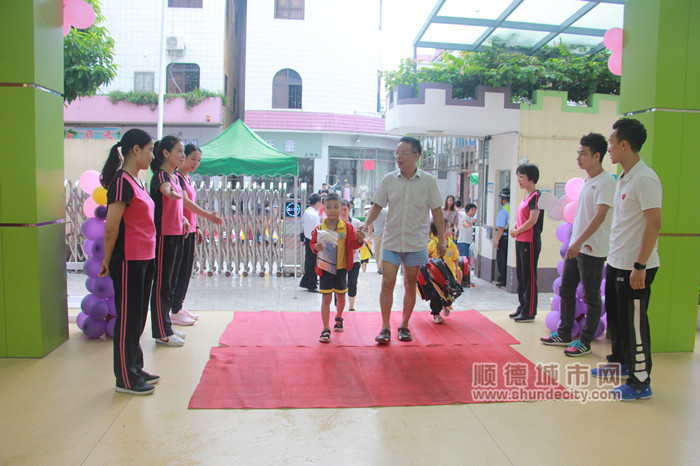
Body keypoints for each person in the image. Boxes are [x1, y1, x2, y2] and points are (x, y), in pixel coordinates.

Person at [596, 118, 662, 401]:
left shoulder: (645, 178)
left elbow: (654, 223)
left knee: (634, 324)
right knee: (619, 320)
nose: (609, 149)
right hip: (617, 262)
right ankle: (622, 363)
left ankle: (640, 382)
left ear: (625, 144)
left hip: (636, 266)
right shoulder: (624, 176)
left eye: (611, 143)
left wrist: (640, 265)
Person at [361, 136, 445, 344]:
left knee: (409, 284)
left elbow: (437, 210)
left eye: (404, 153)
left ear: (416, 156)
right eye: (397, 153)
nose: (398, 157)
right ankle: (385, 327)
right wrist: (365, 224)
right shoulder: (389, 179)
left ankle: (404, 325)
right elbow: (377, 205)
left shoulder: (428, 181)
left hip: (416, 242)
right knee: (387, 282)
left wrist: (441, 238)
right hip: (391, 240)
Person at [540, 133, 615, 356]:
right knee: (566, 289)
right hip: (576, 246)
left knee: (592, 297)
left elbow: (599, 217)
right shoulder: (587, 182)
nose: (579, 158)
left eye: (583, 153)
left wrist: (579, 242)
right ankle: (564, 333)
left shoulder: (606, 182)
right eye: (578, 153)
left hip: (592, 249)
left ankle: (584, 341)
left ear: (597, 156)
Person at [99, 128, 159, 395]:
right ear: (136, 150)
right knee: (127, 318)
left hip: (145, 258)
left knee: (138, 316)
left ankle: (135, 366)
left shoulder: (137, 182)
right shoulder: (121, 182)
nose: (152, 156)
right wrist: (107, 260)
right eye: (150, 150)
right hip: (128, 260)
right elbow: (111, 227)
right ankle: (125, 377)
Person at [170, 144, 223, 325]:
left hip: (191, 229)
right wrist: (207, 216)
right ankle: (174, 309)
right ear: (184, 157)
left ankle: (179, 305)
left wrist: (198, 226)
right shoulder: (177, 178)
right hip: (179, 230)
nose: (195, 163)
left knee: (186, 271)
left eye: (199, 160)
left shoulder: (189, 179)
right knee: (179, 271)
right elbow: (184, 203)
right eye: (193, 158)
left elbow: (190, 207)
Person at [149, 136, 190, 347]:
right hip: (163, 236)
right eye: (179, 152)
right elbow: (165, 190)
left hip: (176, 234)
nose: (183, 156)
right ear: (165, 153)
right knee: (162, 285)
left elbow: (174, 204)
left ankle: (167, 325)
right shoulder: (161, 176)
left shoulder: (174, 176)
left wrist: (182, 218)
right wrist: (170, 193)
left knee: (171, 282)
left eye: (184, 152)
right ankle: (160, 332)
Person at [310, 193, 364, 342]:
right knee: (326, 298)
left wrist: (360, 240)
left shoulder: (347, 228)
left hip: (341, 269)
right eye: (328, 207)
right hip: (325, 268)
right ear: (323, 209)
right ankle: (325, 329)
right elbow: (312, 245)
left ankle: (339, 317)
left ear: (342, 209)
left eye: (336, 207)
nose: (332, 210)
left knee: (341, 297)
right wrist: (316, 247)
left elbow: (354, 245)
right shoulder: (319, 228)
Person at [509, 163, 544, 323]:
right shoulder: (525, 197)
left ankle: (529, 311)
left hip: (529, 241)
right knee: (521, 276)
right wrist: (515, 227)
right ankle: (522, 306)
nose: (519, 180)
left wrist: (517, 231)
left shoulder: (536, 197)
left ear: (531, 178)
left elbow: (532, 221)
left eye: (522, 176)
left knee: (529, 277)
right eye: (518, 176)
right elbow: (523, 219)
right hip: (520, 240)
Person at [427, 220, 460, 323]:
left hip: (448, 275)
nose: (450, 229)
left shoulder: (451, 244)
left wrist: (456, 271)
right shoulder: (433, 244)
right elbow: (426, 257)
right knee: (435, 295)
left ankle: (446, 305)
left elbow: (455, 259)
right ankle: (436, 314)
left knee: (450, 293)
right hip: (436, 276)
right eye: (448, 228)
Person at [340, 200, 363, 312]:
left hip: (355, 259)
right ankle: (338, 307)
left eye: (345, 209)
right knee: (340, 284)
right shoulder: (334, 224)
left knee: (352, 283)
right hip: (339, 260)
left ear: (350, 209)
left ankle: (351, 306)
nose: (343, 212)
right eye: (341, 209)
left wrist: (355, 248)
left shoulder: (356, 223)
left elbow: (361, 241)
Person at [299, 193, 323, 292]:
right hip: (313, 241)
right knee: (313, 263)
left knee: (309, 262)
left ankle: (307, 282)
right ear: (317, 202)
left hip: (308, 239)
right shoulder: (314, 214)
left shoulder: (307, 212)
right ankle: (311, 284)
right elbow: (318, 229)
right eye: (321, 202)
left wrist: (303, 239)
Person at [457, 202, 477, 287]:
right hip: (463, 243)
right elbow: (465, 224)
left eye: (475, 211)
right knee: (463, 262)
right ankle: (462, 280)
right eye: (472, 210)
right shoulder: (465, 217)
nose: (473, 212)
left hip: (467, 242)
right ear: (467, 210)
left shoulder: (469, 218)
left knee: (465, 262)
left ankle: (464, 280)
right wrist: (471, 223)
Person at [495, 188, 510, 288]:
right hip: (509, 238)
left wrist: (497, 240)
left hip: (503, 238)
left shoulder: (503, 211)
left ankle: (503, 279)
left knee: (501, 260)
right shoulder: (512, 208)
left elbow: (501, 228)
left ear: (502, 199)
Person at [368, 202, 387, 274]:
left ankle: (380, 267)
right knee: (376, 252)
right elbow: (370, 224)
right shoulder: (371, 212)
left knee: (382, 251)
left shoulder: (386, 212)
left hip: (385, 234)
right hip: (376, 234)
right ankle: (378, 266)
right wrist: (369, 236)